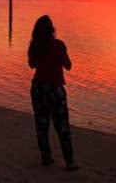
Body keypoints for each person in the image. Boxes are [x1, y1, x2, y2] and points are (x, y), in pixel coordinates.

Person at [28, 15, 78, 171]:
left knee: (42, 124)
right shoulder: (58, 45)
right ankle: (69, 162)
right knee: (62, 125)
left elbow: (32, 64)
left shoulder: (34, 46)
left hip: (38, 88)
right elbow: (68, 65)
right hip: (55, 89)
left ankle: (46, 157)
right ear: (52, 30)